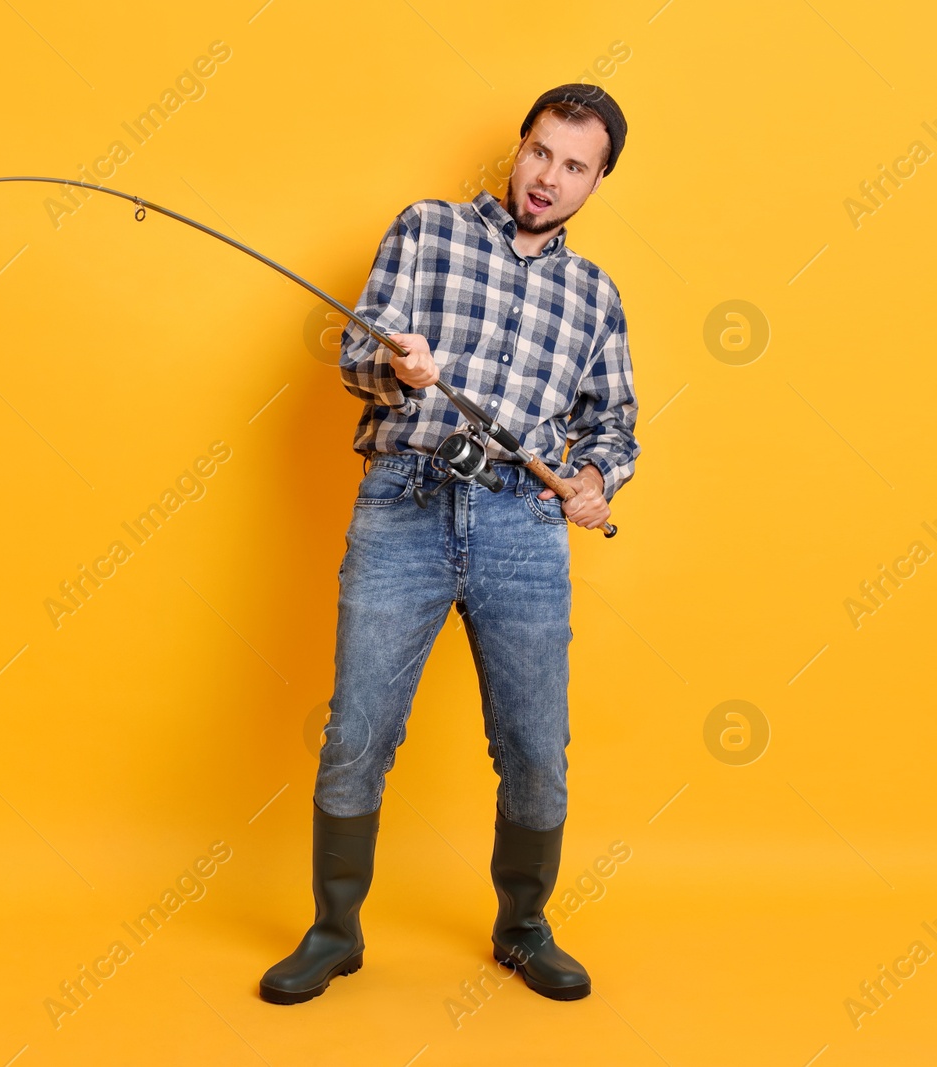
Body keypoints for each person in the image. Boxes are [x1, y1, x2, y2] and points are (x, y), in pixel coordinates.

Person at [260, 84, 641, 1005]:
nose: (549, 177)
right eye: (541, 152)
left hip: (524, 526)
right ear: (520, 148)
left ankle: (523, 927)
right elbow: (354, 353)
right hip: (405, 504)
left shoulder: (594, 296)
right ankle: (334, 930)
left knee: (535, 746)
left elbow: (614, 425)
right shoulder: (427, 230)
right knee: (357, 733)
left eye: (574, 167)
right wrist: (396, 367)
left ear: (597, 183)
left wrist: (594, 482)